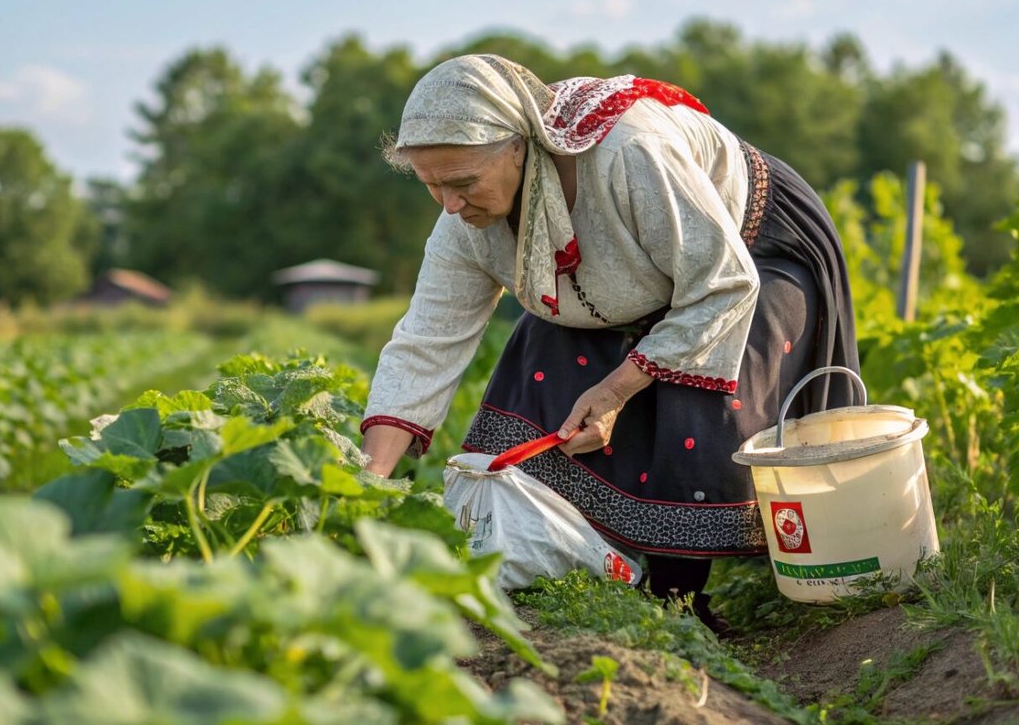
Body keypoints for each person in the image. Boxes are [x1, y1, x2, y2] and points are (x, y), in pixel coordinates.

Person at [359, 54, 859, 624]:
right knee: (545, 353)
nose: (449, 204)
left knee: (695, 386)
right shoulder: (463, 221)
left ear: (520, 145)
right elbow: (428, 336)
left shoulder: (629, 152)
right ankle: (589, 564)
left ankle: (679, 600)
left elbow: (722, 284)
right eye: (432, 186)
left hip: (748, 249)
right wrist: (366, 484)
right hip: (631, 277)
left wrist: (618, 388)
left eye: (464, 182)